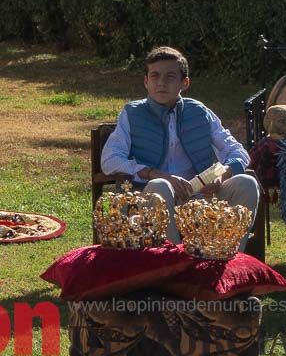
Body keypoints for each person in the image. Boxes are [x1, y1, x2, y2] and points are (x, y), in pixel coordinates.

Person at [101, 46, 260, 248]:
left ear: (184, 83)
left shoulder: (199, 112)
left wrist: (223, 174)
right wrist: (155, 174)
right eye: (155, 76)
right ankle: (173, 263)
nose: (161, 83)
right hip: (149, 196)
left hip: (200, 197)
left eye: (170, 77)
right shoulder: (132, 113)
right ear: (146, 82)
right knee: (161, 186)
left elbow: (237, 152)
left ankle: (227, 260)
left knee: (246, 183)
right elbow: (109, 160)